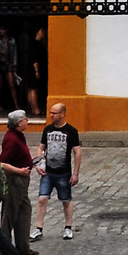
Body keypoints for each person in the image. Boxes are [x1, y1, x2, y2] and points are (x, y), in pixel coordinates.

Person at [32, 100, 82, 241]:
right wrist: (38, 164)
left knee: (66, 200)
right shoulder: (48, 129)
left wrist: (76, 173)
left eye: (54, 113)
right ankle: (38, 228)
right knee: (42, 199)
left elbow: (77, 152)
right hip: (48, 172)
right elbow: (41, 148)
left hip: (63, 172)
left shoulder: (71, 131)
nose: (51, 115)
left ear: (62, 114)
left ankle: (68, 227)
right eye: (50, 112)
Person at [0, 110, 40, 255]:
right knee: (8, 216)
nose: (27, 120)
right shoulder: (11, 139)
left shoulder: (18, 136)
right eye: (25, 119)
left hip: (22, 181)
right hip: (14, 180)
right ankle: (5, 252)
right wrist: (19, 171)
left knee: (24, 211)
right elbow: (2, 163)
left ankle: (23, 247)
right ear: (18, 123)